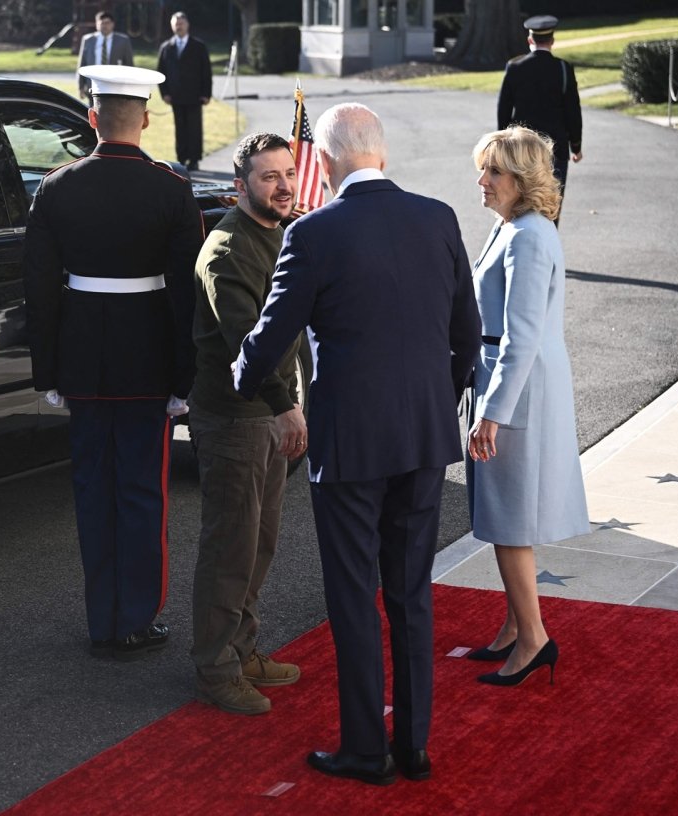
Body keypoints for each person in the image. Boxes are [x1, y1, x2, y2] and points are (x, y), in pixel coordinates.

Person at [234, 103, 481, 785]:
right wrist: (437, 397)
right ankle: (415, 746)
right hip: (425, 436)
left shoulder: (315, 233)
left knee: (353, 598)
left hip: (348, 445)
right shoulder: (439, 217)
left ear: (331, 161)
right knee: (411, 595)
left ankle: (366, 750)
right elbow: (468, 334)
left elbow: (273, 333)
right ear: (383, 154)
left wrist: (240, 376)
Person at [22, 64, 202, 662]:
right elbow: (186, 295)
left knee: (92, 491)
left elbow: (40, 290)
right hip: (147, 360)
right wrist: (185, 378)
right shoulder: (172, 189)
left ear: (92, 119)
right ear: (145, 119)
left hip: (82, 363)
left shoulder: (56, 187)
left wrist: (47, 373)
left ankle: (103, 620)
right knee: (142, 493)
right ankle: (136, 617)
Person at [465, 126, 589, 686]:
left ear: (521, 178)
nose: (482, 180)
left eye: (493, 171)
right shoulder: (511, 227)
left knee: (511, 517)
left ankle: (534, 639)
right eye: (482, 168)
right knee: (502, 513)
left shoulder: (529, 237)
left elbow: (521, 337)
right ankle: (517, 627)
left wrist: (493, 413)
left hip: (518, 387)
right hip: (505, 377)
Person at [190, 133, 305, 716]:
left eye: (288, 173)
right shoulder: (228, 250)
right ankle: (215, 669)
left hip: (268, 413)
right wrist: (287, 404)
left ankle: (241, 648)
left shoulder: (280, 235)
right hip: (235, 418)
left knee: (260, 544)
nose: (284, 185)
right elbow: (246, 345)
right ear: (240, 187)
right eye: (269, 177)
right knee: (230, 547)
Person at [496, 15, 582, 218]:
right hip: (557, 147)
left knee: (521, 201)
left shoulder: (515, 67)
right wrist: (576, 146)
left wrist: (502, 143)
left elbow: (504, 110)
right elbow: (572, 110)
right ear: (552, 41)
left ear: (530, 40)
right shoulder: (563, 69)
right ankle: (549, 246)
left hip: (522, 148)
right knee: (551, 204)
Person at [156, 12, 211, 171]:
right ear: (172, 26)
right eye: (176, 23)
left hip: (195, 96)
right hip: (175, 96)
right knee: (180, 129)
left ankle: (194, 159)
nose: (179, 26)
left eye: (181, 23)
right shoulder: (166, 47)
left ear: (187, 25)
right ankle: (181, 158)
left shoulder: (198, 46)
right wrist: (164, 93)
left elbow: (206, 71)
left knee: (194, 128)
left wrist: (206, 93)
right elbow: (161, 71)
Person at [77, 11, 134, 104]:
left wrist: (129, 87)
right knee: (92, 115)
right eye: (101, 23)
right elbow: (82, 64)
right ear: (97, 24)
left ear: (112, 24)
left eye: (107, 23)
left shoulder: (123, 41)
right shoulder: (88, 40)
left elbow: (129, 65)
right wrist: (80, 86)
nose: (104, 26)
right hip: (93, 86)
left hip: (114, 87)